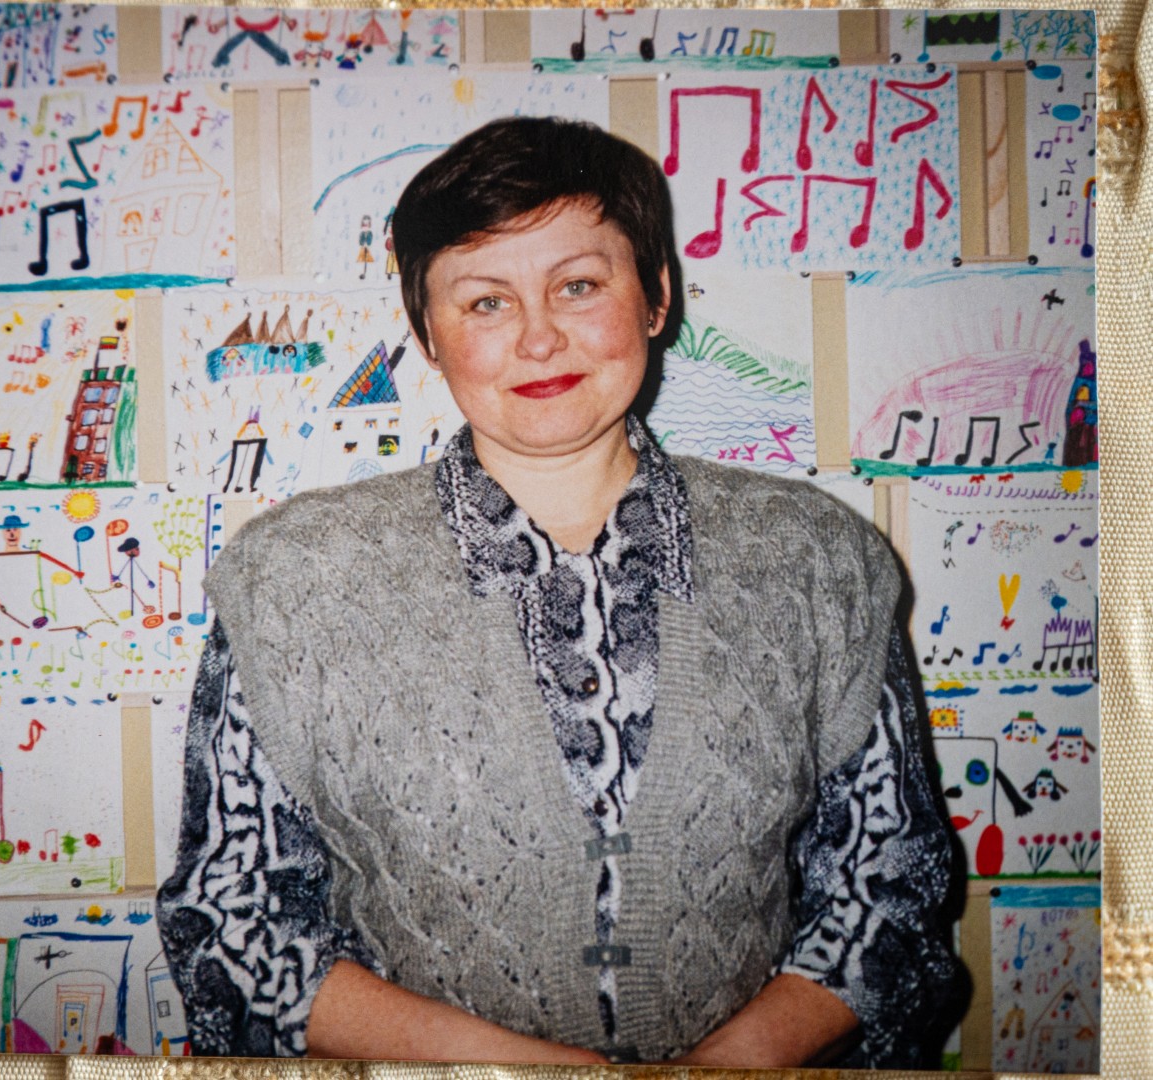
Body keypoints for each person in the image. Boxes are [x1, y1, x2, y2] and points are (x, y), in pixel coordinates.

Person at [157, 116, 958, 1068]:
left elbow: (889, 890)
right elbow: (234, 924)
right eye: (486, 302)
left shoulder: (818, 558)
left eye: (578, 285)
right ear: (427, 333)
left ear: (656, 296)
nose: (539, 338)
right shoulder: (292, 580)